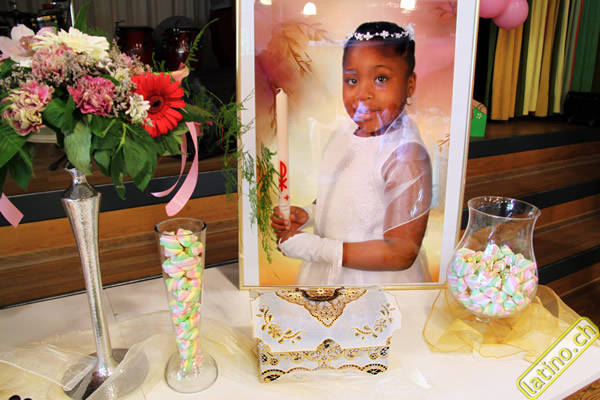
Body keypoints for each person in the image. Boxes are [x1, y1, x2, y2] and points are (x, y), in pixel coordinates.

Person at [271, 21, 432, 285]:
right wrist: (311, 213)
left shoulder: (406, 157)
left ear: (410, 84)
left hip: (372, 281)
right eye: (352, 80)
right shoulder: (345, 132)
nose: (363, 94)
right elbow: (347, 193)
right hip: (330, 272)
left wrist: (314, 248)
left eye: (381, 79)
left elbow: (401, 253)